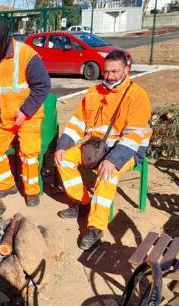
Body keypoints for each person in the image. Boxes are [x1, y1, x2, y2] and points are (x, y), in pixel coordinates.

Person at [54, 50, 152, 251]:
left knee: (107, 173)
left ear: (127, 69)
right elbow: (75, 125)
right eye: (106, 71)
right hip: (97, 146)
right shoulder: (93, 93)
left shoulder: (138, 96)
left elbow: (133, 138)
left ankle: (96, 226)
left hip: (128, 150)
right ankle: (82, 202)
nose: (109, 77)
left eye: (115, 72)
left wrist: (113, 160)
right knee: (63, 159)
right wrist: (62, 146)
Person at [0, 21, 51, 207]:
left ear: (2, 40)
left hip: (26, 117)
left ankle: (31, 192)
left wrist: (25, 111)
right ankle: (7, 185)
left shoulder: (25, 54)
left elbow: (42, 85)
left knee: (28, 154)